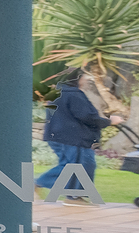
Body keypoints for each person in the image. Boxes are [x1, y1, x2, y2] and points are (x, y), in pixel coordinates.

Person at [39, 68, 109, 205]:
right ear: (76, 78)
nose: (86, 79)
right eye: (84, 76)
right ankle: (70, 195)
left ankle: (74, 196)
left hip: (59, 136)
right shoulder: (74, 94)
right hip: (73, 138)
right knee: (78, 166)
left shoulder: (56, 92)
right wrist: (110, 121)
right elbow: (87, 117)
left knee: (75, 165)